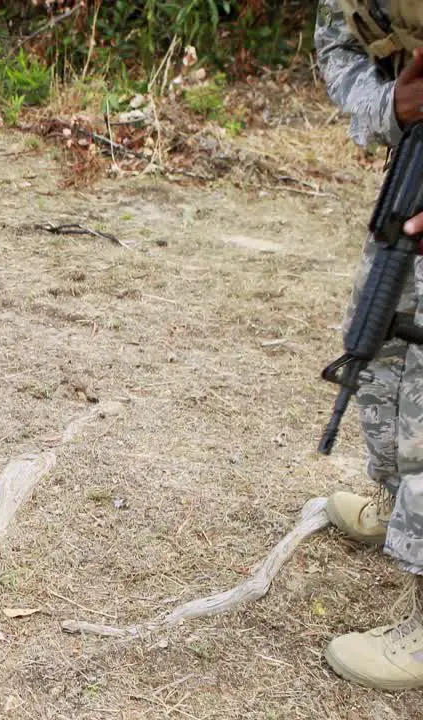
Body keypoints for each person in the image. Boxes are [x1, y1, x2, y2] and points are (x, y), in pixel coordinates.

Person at [315, 0, 423, 690]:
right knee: (383, 343)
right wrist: (393, 105)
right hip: (412, 167)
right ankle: (400, 513)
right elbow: (336, 47)